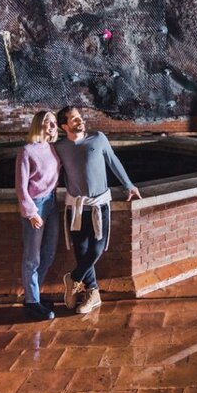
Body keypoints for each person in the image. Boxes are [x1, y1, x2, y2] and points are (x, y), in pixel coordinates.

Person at [55, 106, 141, 314]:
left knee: (96, 249)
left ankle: (74, 278)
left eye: (79, 118)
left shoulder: (98, 138)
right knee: (82, 251)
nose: (80, 121)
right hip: (75, 207)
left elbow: (114, 162)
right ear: (64, 126)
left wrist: (128, 185)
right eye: (74, 120)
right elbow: (48, 171)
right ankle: (92, 293)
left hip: (99, 204)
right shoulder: (60, 147)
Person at [15, 110, 61, 321]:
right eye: (47, 122)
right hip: (37, 205)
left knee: (49, 252)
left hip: (52, 203)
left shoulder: (51, 148)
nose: (52, 125)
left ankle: (35, 294)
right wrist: (31, 213)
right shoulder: (26, 151)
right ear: (38, 125)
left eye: (53, 122)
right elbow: (21, 187)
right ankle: (31, 302)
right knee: (32, 257)